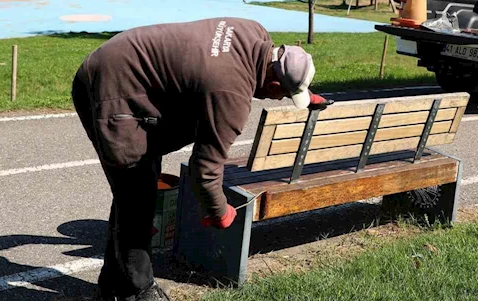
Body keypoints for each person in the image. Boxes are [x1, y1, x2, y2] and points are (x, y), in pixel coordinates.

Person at [71, 18, 327, 301]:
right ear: (274, 80)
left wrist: (304, 92)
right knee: (136, 197)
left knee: (134, 193)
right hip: (110, 88)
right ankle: (138, 291)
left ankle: (111, 287)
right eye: (284, 93)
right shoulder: (231, 92)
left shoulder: (255, 34)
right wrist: (220, 212)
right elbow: (204, 170)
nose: (279, 99)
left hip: (121, 63)